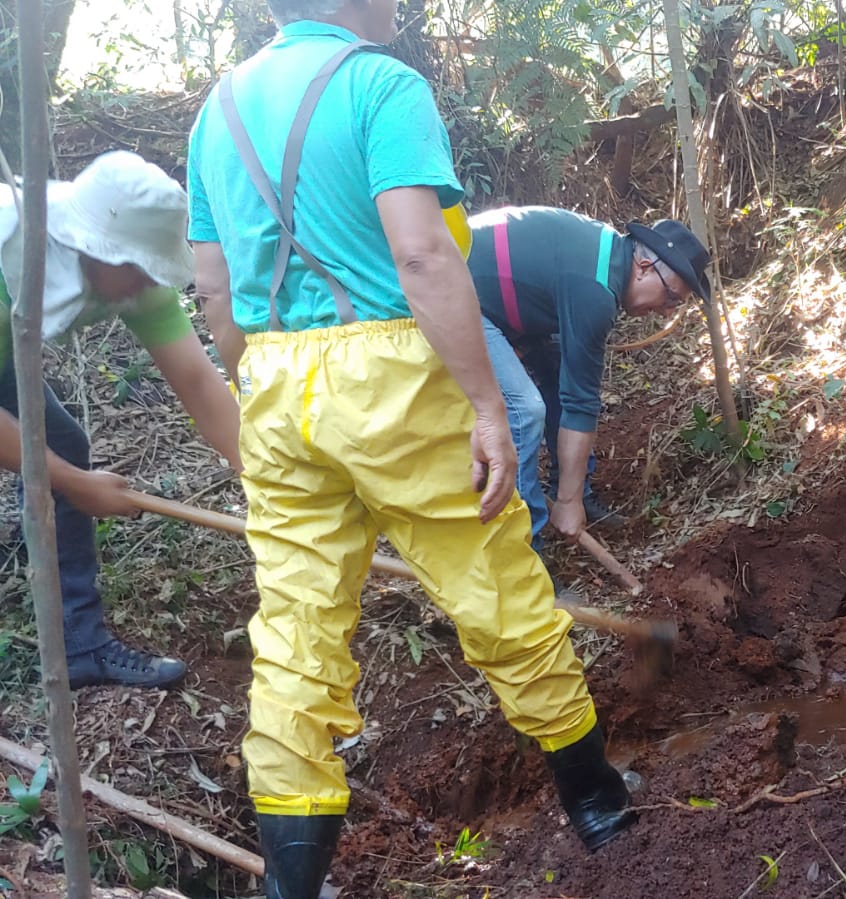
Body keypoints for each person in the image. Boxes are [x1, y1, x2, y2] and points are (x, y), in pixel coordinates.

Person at [185, 1, 635, 894]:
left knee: (295, 632)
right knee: (494, 583)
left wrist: (266, 384)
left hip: (271, 383)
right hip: (388, 367)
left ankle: (291, 884)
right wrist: (486, 406)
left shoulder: (217, 109)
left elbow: (212, 289)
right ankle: (597, 805)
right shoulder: (378, 84)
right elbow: (424, 258)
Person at [0, 150, 242, 689]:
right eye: (136, 265)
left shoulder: (132, 279)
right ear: (91, 246)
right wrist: (74, 483)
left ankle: (79, 648)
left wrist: (263, 478)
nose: (145, 280)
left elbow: (200, 385)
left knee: (61, 441)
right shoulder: (7, 257)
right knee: (60, 460)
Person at [468, 206, 709, 544]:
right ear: (644, 268)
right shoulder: (594, 291)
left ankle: (568, 488)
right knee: (524, 410)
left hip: (491, 294)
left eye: (676, 305)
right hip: (453, 297)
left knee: (556, 360)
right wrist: (569, 503)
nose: (667, 311)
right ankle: (523, 551)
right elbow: (580, 404)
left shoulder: (607, 257)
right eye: (671, 298)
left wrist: (572, 493)